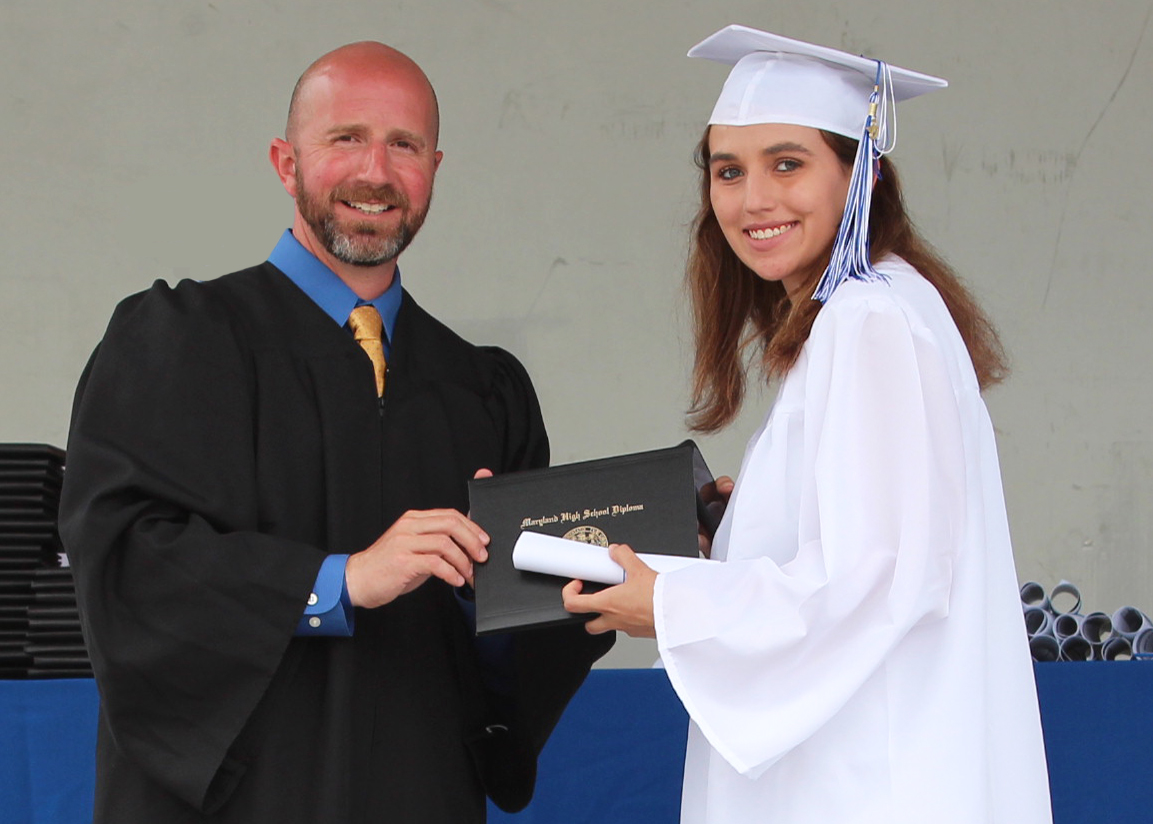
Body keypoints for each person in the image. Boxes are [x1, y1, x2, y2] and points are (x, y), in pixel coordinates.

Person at [59, 41, 612, 824]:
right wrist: (337, 581)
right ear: (286, 164)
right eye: (345, 138)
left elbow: (515, 670)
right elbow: (126, 560)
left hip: (418, 790)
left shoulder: (482, 391)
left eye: (404, 145)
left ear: (434, 169)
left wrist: (513, 590)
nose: (375, 172)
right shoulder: (179, 342)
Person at [563, 25, 1052, 824]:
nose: (753, 199)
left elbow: (875, 576)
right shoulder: (871, 311)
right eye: (728, 170)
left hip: (864, 784)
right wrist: (734, 537)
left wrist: (674, 606)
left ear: (861, 175)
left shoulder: (869, 320)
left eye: (786, 163)